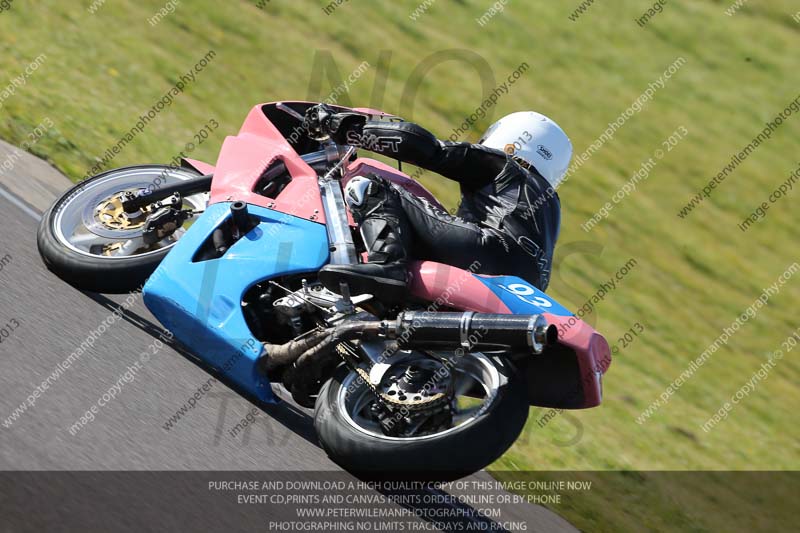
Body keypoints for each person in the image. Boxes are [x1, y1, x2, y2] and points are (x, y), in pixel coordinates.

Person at [304, 104, 572, 302]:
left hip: (486, 251)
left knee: (368, 187)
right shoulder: (552, 206)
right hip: (527, 292)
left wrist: (350, 129)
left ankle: (389, 266)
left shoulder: (504, 165)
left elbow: (429, 149)